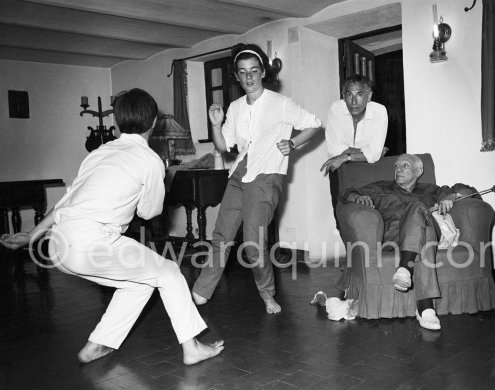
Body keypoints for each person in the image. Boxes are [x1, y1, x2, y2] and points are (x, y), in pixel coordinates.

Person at [0, 88, 224, 364]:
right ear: (153, 122)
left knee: (139, 283)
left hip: (58, 244)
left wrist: (32, 235)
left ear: (118, 122)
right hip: (92, 243)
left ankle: (99, 344)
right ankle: (192, 348)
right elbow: (150, 211)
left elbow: (67, 202)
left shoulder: (98, 153)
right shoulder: (151, 161)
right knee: (169, 271)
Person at [191, 43, 322, 314]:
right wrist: (215, 125)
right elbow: (223, 146)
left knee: (253, 243)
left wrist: (294, 144)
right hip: (240, 173)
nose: (248, 77)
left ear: (263, 72)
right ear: (237, 77)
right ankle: (203, 290)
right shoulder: (236, 107)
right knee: (221, 235)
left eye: (253, 70)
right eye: (242, 72)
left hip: (266, 176)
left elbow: (314, 123)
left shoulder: (280, 103)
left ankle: (267, 293)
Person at [337, 154, 471, 330]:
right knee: (426, 229)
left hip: (424, 236)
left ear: (419, 171)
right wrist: (358, 198)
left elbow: (468, 190)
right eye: (397, 166)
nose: (398, 169)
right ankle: (425, 308)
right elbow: (348, 194)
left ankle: (405, 270)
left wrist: (452, 196)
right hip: (392, 238)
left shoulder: (432, 190)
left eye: (405, 166)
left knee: (420, 213)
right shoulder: (381, 188)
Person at [320, 75, 388, 226]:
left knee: (370, 214)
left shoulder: (379, 112)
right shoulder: (336, 109)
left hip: (366, 168)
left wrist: (347, 156)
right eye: (349, 95)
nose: (353, 101)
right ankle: (351, 249)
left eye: (359, 94)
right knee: (342, 217)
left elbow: (374, 154)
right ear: (344, 96)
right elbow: (335, 149)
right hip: (339, 167)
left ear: (369, 95)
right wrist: (367, 152)